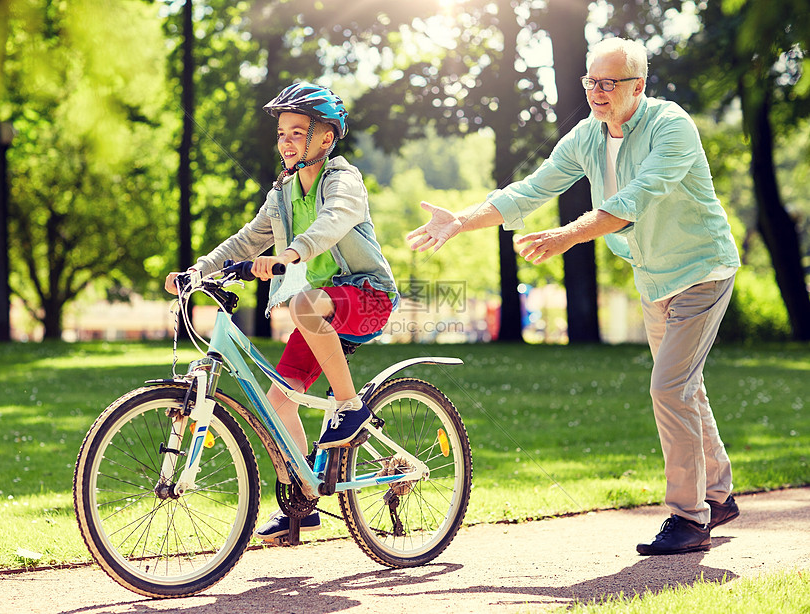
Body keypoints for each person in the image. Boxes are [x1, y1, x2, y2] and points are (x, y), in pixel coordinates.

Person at [407, 38, 741, 556]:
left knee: (670, 388)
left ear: (639, 86)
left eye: (609, 83)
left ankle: (689, 517)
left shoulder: (670, 127)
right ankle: (717, 496)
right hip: (654, 278)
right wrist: (461, 221)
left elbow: (635, 199)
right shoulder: (587, 136)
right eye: (591, 81)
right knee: (683, 388)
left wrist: (565, 236)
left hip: (702, 271)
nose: (596, 92)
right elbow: (530, 190)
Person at [166, 82, 398, 539]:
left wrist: (289, 255)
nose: (286, 142)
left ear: (325, 138)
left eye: (298, 132)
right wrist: (198, 270)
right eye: (281, 133)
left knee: (302, 303)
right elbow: (247, 239)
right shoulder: (284, 194)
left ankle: (350, 408)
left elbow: (333, 224)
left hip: (367, 296)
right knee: (278, 401)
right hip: (321, 313)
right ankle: (303, 503)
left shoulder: (342, 180)